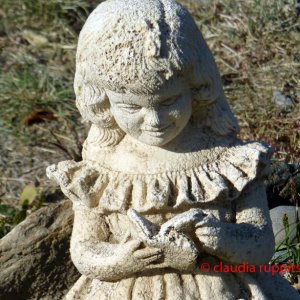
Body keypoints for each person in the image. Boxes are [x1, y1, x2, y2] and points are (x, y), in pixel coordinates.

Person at [47, 0, 299, 299]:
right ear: (103, 101)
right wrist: (119, 260)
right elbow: (85, 249)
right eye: (130, 106)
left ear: (195, 87)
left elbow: (259, 243)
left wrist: (217, 237)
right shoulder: (102, 165)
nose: (153, 120)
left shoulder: (228, 159)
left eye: (169, 102)